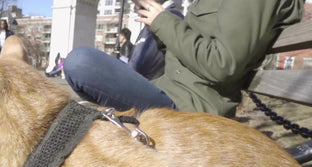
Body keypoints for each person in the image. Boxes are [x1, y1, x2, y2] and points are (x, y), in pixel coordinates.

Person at [64, 0, 304, 117]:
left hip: (192, 107)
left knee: (81, 62)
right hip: (171, 90)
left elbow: (222, 64)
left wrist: (164, 23)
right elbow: (187, 58)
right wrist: (157, 24)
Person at [128, 0, 183, 80]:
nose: (135, 9)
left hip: (147, 86)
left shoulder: (170, 18)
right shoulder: (155, 20)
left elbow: (152, 63)